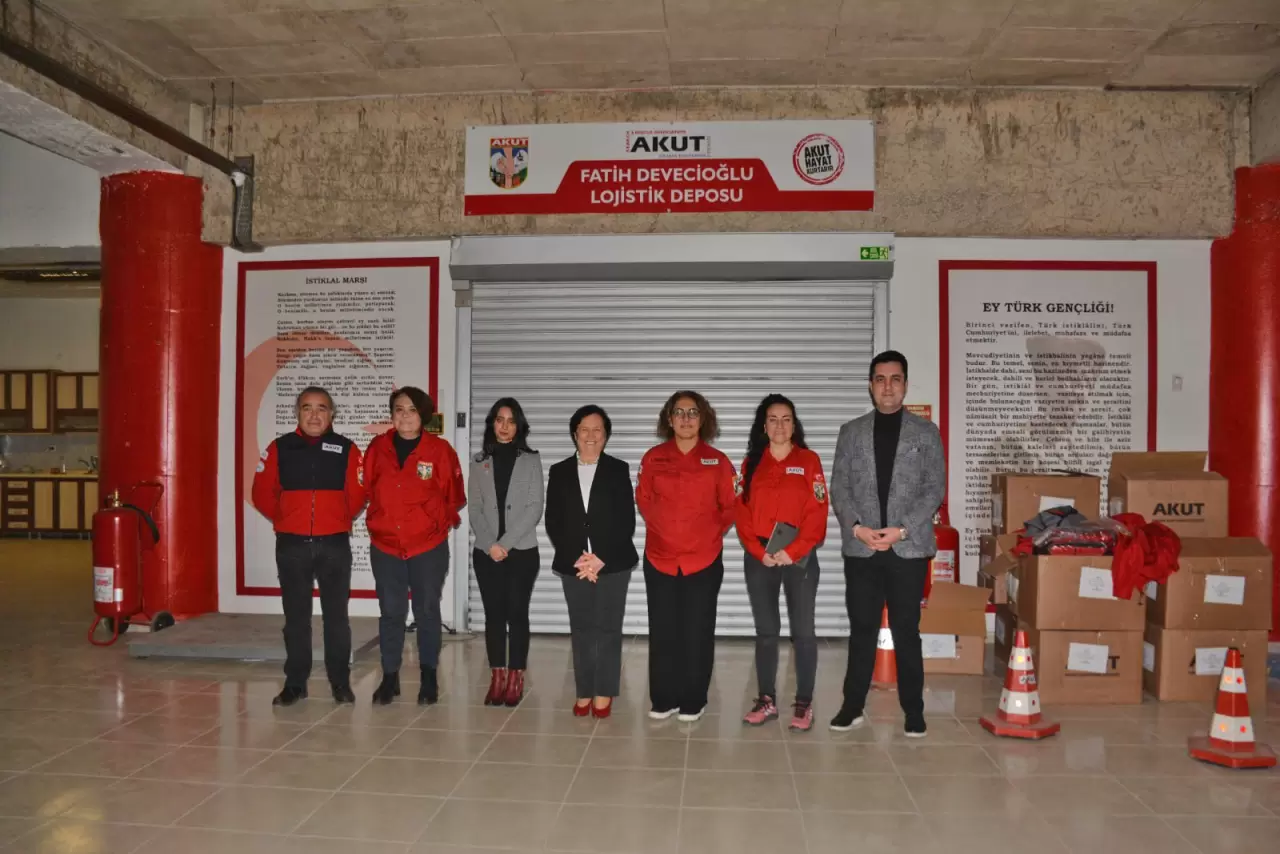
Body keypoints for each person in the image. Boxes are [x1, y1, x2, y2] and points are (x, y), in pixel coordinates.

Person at [829, 351, 945, 737]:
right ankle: (852, 705)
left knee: (906, 629)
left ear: (906, 384)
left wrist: (902, 529)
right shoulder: (851, 431)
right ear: (871, 385)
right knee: (861, 628)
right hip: (862, 548)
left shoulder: (926, 433)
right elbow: (839, 489)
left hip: (906, 548)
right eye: (880, 379)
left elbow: (934, 489)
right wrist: (858, 528)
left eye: (895, 379)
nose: (888, 386)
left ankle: (913, 709)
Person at [251, 386, 365, 707]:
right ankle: (296, 683)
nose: (314, 415)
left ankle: (340, 683)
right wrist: (288, 518)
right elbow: (261, 492)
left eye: (322, 408)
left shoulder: (347, 449)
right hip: (292, 545)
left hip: (334, 545)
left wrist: (338, 518)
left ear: (332, 414)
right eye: (307, 408)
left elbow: (357, 494)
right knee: (297, 618)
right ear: (297, 413)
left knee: (336, 618)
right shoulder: (279, 448)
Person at [637, 390, 736, 723]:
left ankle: (694, 698)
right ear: (669, 418)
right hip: (660, 558)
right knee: (663, 630)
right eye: (678, 412)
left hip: (703, 560)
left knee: (697, 631)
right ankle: (663, 697)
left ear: (703, 418)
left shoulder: (718, 461)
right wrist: (667, 533)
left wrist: (705, 534)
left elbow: (729, 508)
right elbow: (645, 502)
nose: (685, 418)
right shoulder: (653, 458)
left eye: (693, 412)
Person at [363, 386, 465, 706]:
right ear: (391, 414)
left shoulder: (440, 450)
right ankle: (390, 676)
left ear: (423, 415)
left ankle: (428, 676)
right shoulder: (378, 448)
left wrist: (434, 520)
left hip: (427, 547)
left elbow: (455, 496)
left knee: (426, 611)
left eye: (411, 410)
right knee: (391, 612)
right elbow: (367, 488)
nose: (405, 416)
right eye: (398, 409)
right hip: (386, 547)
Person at [735, 394, 828, 732]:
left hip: (798, 557)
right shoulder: (750, 465)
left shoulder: (808, 460)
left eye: (786, 418)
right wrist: (759, 552)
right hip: (760, 558)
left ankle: (803, 703)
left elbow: (817, 512)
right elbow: (740, 513)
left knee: (803, 632)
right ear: (764, 425)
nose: (779, 425)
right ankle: (766, 699)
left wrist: (794, 550)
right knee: (766, 633)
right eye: (772, 419)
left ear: (794, 424)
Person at [545, 405, 638, 719]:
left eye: (598, 430)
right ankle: (583, 689)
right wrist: (580, 560)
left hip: (613, 564)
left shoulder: (617, 469)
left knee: (609, 629)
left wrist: (600, 559)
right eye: (584, 429)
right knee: (582, 629)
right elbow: (554, 522)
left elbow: (626, 522)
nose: (591, 436)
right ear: (574, 433)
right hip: (575, 565)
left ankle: (604, 692)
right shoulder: (559, 471)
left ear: (606, 435)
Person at [469, 398, 544, 707]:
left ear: (519, 426)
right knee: (494, 615)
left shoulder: (530, 459)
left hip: (522, 551)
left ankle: (516, 677)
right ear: (492, 424)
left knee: (517, 613)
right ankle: (497, 676)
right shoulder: (478, 461)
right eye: (499, 419)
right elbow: (474, 508)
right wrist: (490, 544)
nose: (504, 426)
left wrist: (505, 544)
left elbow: (534, 507)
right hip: (486, 553)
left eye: (511, 421)